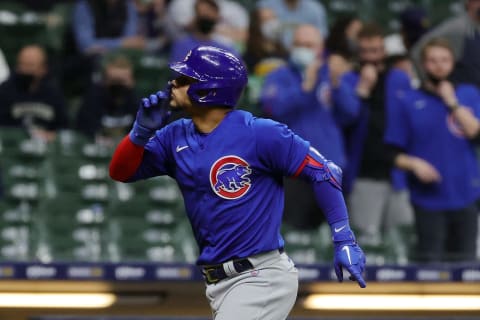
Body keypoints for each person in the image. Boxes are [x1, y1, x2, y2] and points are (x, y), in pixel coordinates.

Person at [109, 45, 366, 319]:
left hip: (260, 276)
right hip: (218, 283)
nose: (174, 83)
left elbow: (325, 172)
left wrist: (344, 239)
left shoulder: (260, 133)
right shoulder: (175, 136)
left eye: (185, 80)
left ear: (209, 90)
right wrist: (140, 133)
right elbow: (121, 172)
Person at [385, 38, 480, 263]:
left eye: (444, 60)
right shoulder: (408, 101)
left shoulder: (468, 94)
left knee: (465, 268)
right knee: (429, 268)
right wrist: (415, 164)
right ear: (423, 64)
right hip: (427, 200)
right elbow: (391, 153)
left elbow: (475, 133)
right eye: (432, 60)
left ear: (453, 63)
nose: (439, 66)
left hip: (466, 196)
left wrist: (452, 102)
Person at [260, 24, 352, 230]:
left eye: (309, 45)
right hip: (293, 170)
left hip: (329, 169)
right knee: (294, 232)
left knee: (334, 235)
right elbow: (273, 108)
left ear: (321, 48)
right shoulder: (278, 76)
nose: (304, 49)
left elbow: (350, 113)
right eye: (299, 44)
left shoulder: (332, 75)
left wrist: (337, 84)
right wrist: (306, 88)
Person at [332, 24, 414, 251]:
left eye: (376, 51)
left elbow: (409, 120)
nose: (371, 57)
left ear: (383, 52)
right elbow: (344, 120)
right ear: (358, 53)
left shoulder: (399, 78)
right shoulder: (349, 79)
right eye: (366, 51)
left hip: (397, 171)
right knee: (367, 241)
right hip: (364, 170)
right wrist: (362, 91)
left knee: (402, 238)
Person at [0, 45, 68, 141]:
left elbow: (63, 127)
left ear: (43, 69)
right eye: (22, 65)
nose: (25, 70)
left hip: (46, 149)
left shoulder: (54, 93)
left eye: (30, 65)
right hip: (13, 146)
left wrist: (52, 135)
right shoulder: (5, 90)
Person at [411, 0, 480, 88]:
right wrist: (428, 83)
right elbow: (417, 51)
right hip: (459, 93)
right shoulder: (457, 28)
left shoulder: (474, 27)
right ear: (469, 3)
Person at [76, 53, 138, 143]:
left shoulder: (137, 102)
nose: (118, 85)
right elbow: (83, 130)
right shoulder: (92, 99)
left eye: (122, 81)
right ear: (104, 81)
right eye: (114, 81)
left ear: (132, 82)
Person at [169, 0, 238, 64]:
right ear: (195, 17)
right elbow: (179, 70)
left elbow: (236, 70)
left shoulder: (225, 46)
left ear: (217, 17)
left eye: (208, 15)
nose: (205, 17)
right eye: (202, 14)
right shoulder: (182, 45)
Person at [256, 0, 328, 49]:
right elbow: (256, 34)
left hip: (305, 54)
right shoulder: (266, 4)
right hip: (274, 53)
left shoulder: (315, 9)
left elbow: (321, 39)